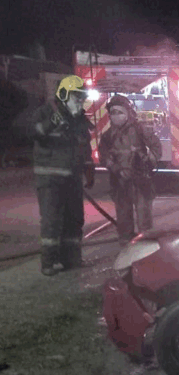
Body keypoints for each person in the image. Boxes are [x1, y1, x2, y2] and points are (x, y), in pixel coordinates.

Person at [28, 75, 96, 276]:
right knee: (52, 221)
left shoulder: (79, 120)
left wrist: (89, 171)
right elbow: (37, 133)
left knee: (74, 220)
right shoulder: (46, 112)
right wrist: (60, 118)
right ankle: (49, 263)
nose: (80, 101)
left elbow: (85, 149)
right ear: (64, 94)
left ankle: (72, 260)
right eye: (76, 96)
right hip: (50, 181)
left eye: (82, 97)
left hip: (72, 180)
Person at [98, 95, 161, 245]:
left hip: (140, 181)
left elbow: (156, 148)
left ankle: (146, 252)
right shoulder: (107, 136)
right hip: (120, 183)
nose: (116, 116)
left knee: (144, 220)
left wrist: (148, 160)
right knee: (124, 220)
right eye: (113, 113)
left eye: (120, 112)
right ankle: (126, 252)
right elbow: (103, 156)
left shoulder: (141, 131)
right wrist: (116, 169)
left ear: (128, 113)